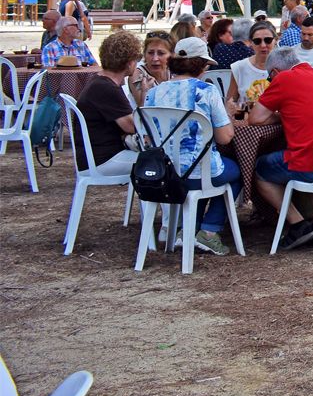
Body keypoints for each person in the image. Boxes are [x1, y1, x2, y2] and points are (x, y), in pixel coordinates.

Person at [141, 37, 240, 256]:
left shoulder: (154, 92)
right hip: (198, 172)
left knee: (208, 172)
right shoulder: (207, 91)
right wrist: (229, 116)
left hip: (165, 171)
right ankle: (209, 232)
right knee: (235, 172)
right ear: (201, 65)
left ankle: (186, 230)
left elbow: (148, 135)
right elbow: (225, 138)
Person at [248, 46, 313, 250]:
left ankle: (297, 224)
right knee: (311, 151)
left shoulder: (284, 80)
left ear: (275, 73)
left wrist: (281, 114)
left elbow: (255, 119)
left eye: (269, 78)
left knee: (259, 170)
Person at [75, 30, 143, 182]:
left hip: (96, 156)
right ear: (129, 62)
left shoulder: (100, 81)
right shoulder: (107, 88)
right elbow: (132, 126)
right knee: (162, 164)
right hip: (103, 159)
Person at [228, 19, 277, 112]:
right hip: (247, 122)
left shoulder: (285, 67)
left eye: (268, 40)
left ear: (276, 40)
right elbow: (230, 102)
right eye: (257, 41)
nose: (263, 45)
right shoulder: (239, 68)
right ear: (251, 42)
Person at [132, 31, 174, 97]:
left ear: (171, 55)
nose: (155, 58)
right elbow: (143, 106)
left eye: (161, 53)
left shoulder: (175, 73)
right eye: (150, 53)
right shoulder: (138, 75)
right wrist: (145, 91)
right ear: (144, 54)